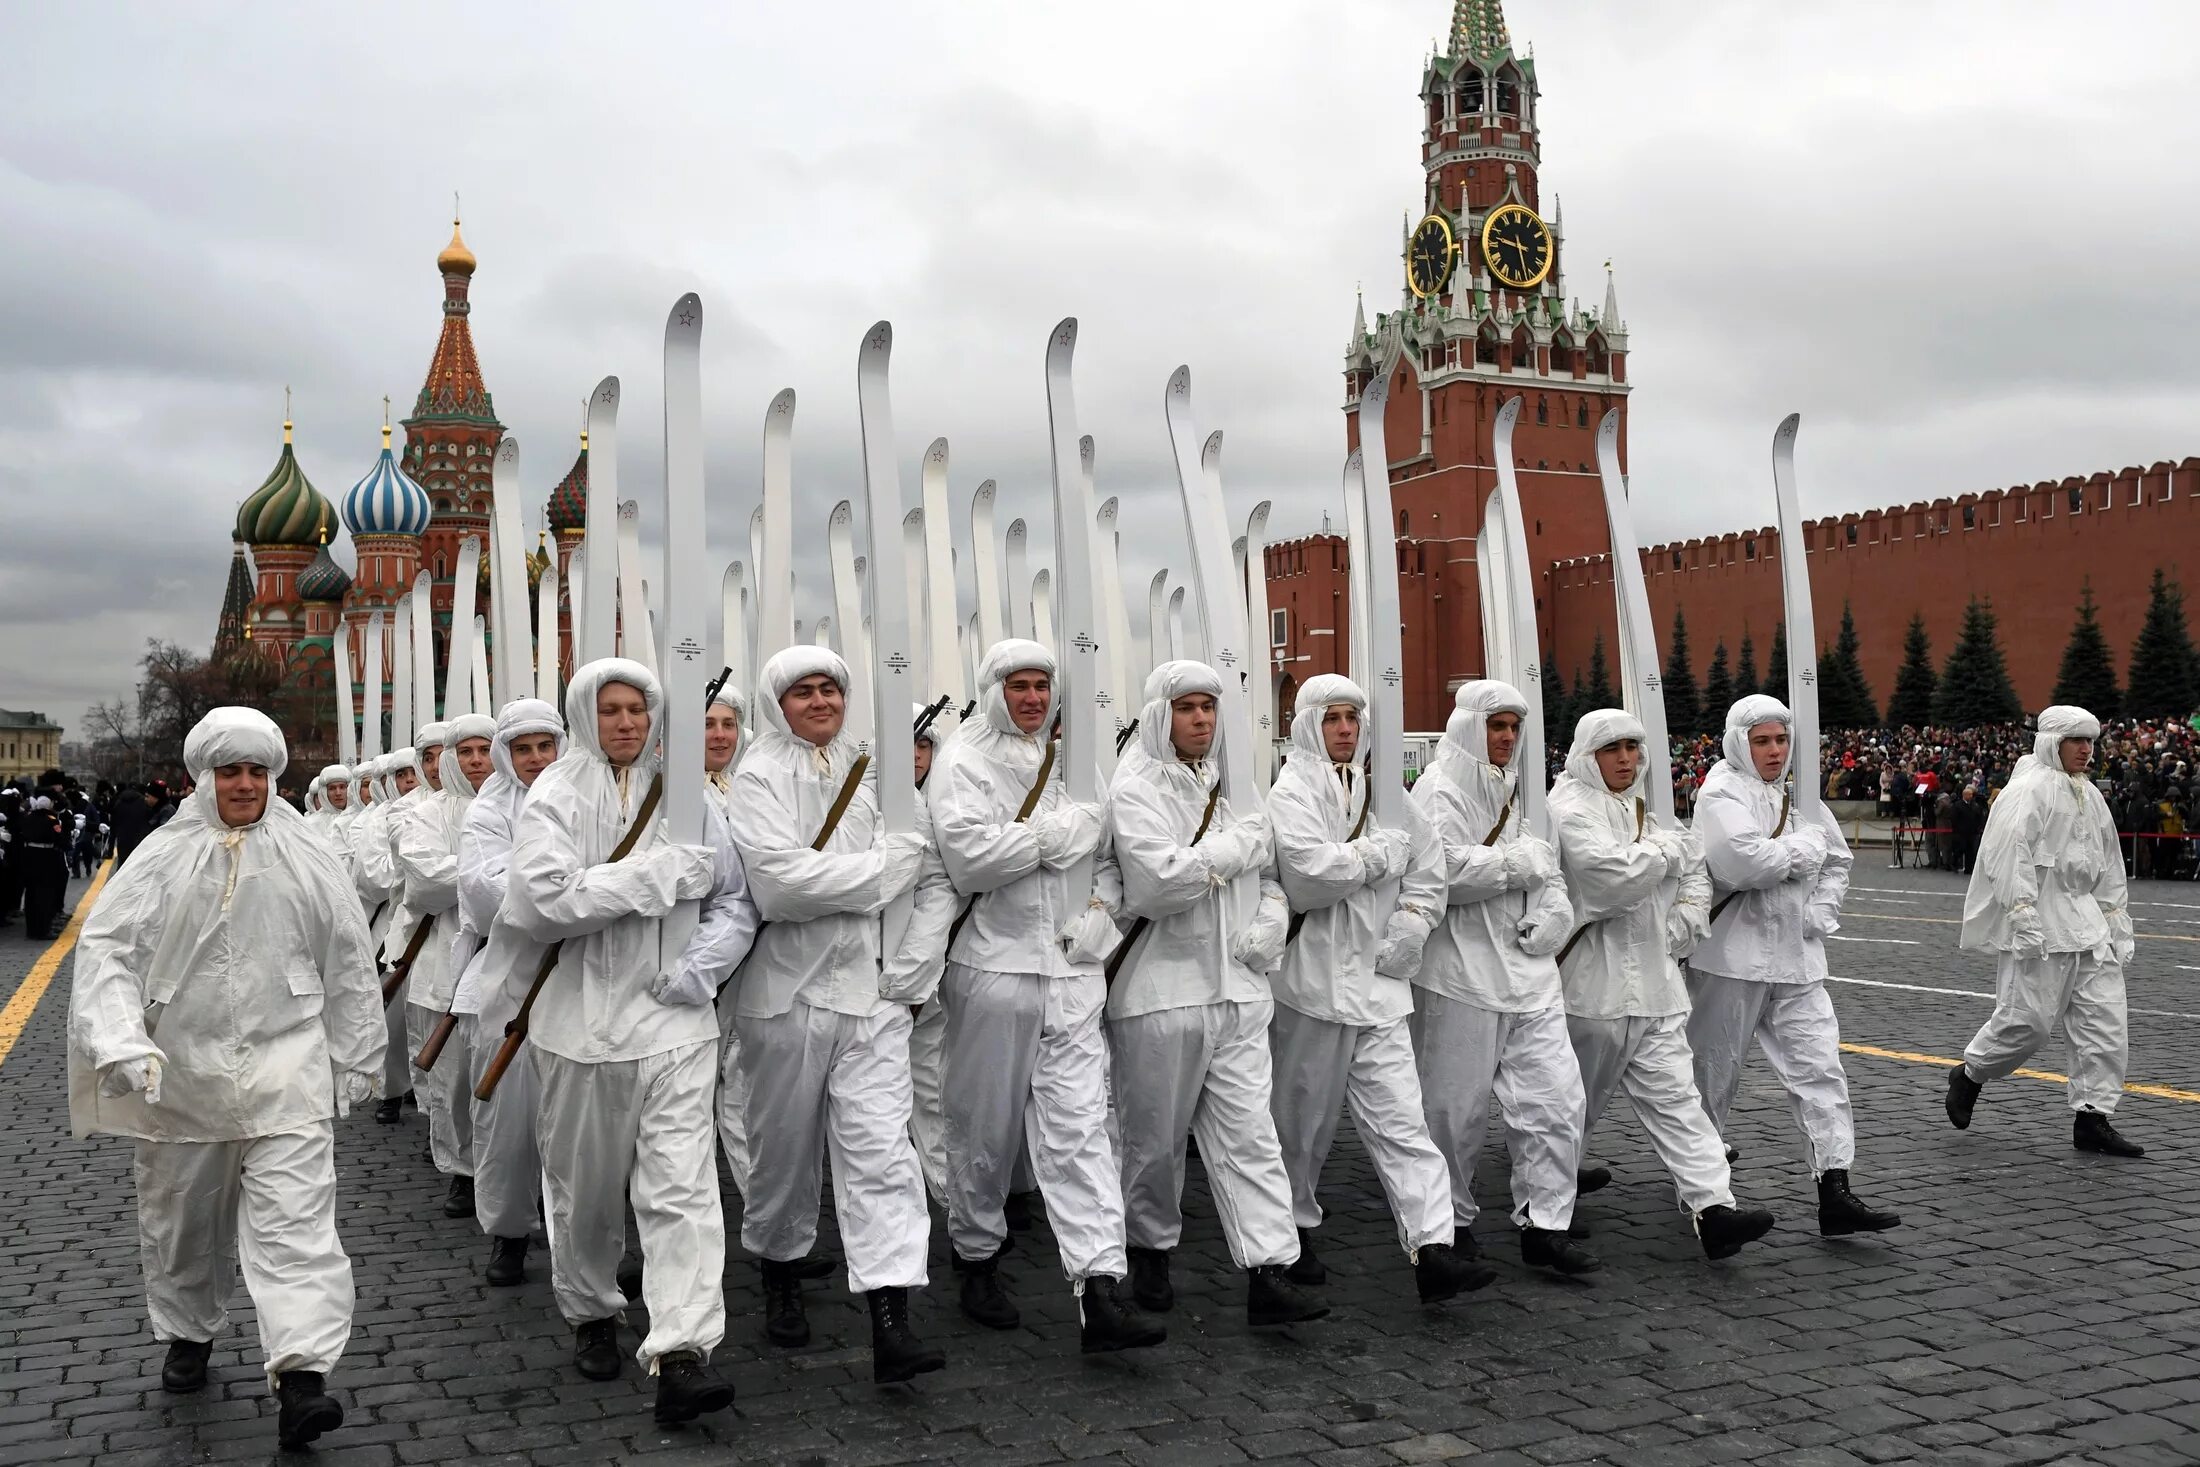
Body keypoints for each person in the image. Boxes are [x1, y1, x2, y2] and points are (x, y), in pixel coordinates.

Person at [68, 708, 383, 1449]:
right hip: (184, 1081)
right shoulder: (161, 857)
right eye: (229, 771)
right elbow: (108, 951)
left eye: (257, 772)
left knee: (298, 1230)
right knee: (184, 1228)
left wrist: (359, 1052)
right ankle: (187, 1329)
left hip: (287, 1076)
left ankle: (302, 1375)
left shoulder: (306, 853)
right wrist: (119, 1039)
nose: (245, 785)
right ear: (201, 777)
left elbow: (347, 958)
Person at [503, 658, 757, 1426]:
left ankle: (682, 1349)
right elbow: (541, 901)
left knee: (683, 1190)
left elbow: (734, 901)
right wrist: (653, 878)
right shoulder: (553, 796)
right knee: (585, 1194)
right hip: (579, 1032)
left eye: (637, 709)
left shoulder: (688, 799)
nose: (625, 722)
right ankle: (589, 1308)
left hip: (675, 1026)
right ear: (586, 715)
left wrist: (698, 972)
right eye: (610, 709)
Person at [927, 639, 1167, 1350]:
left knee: (1081, 1126)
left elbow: (1110, 857)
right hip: (994, 969)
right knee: (984, 1128)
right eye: (1019, 685)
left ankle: (1099, 1284)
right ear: (994, 688)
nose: (1033, 697)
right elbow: (972, 860)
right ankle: (974, 1251)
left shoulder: (1072, 760)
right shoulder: (962, 761)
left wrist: (1101, 915)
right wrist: (1055, 832)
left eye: (1041, 685)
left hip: (1070, 972)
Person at [722, 647, 952, 1383]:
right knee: (782, 1153)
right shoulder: (758, 773)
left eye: (830, 689)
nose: (820, 702)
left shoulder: (877, 767)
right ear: (777, 702)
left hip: (871, 995)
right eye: (802, 692)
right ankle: (781, 1267)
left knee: (882, 1153)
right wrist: (883, 873)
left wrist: (909, 965)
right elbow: (780, 884)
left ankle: (893, 1314)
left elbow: (932, 863)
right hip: (785, 995)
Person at [1105, 660, 1326, 1326]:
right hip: (1160, 990)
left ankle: (1270, 1267)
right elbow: (1158, 883)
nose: (1202, 718)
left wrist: (1268, 917)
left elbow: (1273, 876)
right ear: (1159, 714)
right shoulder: (1133, 786)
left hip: (1236, 989)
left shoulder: (1237, 785)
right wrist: (1238, 848)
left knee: (1250, 1136)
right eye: (1187, 707)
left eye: (1209, 706)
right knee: (1154, 1139)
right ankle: (1149, 1245)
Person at [1263, 676, 1494, 1301]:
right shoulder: (1291, 792)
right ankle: (1291, 1225)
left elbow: (1429, 870)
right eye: (1334, 717)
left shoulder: (1387, 793)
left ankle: (1432, 1245)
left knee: (1403, 1122)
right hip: (1310, 988)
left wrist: (1413, 924)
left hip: (1380, 987)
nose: (1346, 728)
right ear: (1310, 723)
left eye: (1353, 718)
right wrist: (1376, 856)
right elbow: (1309, 876)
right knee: (1299, 1124)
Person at [1549, 709, 1776, 1260]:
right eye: (1613, 749)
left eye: (1632, 747)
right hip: (1590, 989)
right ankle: (1544, 1212)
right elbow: (1610, 882)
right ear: (1589, 754)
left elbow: (1696, 870)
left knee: (1680, 1104)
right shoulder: (1566, 810)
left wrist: (1686, 917)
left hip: (1656, 984)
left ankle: (1713, 1208)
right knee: (1568, 1106)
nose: (1626, 759)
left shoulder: (1650, 811)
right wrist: (1668, 854)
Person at [1687, 694, 1901, 1237]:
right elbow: (1743, 864)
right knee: (1711, 1074)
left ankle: (1835, 1187)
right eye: (1762, 741)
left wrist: (1821, 906)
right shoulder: (1719, 792)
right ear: (1740, 743)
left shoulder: (1799, 796)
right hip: (1730, 959)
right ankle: (1702, 1191)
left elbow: (1837, 862)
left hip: (1798, 959)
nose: (1775, 751)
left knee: (1821, 1069)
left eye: (1782, 740)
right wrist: (1803, 850)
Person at [1406, 681, 1597, 1275]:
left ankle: (1547, 1223)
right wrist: (1517, 864)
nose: (1508, 738)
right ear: (1469, 728)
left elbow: (1553, 874)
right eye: (1497, 726)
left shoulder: (1524, 792)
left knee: (1558, 1102)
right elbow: (1440, 870)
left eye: (1515, 727)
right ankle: (1449, 1223)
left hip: (1530, 977)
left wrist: (1555, 916)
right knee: (1453, 1113)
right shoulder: (1436, 790)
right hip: (1460, 975)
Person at [1947, 706, 2141, 1156]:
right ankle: (1971, 1072)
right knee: (2027, 1023)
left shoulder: (2090, 795)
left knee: (2105, 1024)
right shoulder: (2028, 789)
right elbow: (2007, 854)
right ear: (2052, 742)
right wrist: (2022, 914)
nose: (2086, 750)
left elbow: (2109, 864)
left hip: (2088, 927)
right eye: (2076, 741)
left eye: (2090, 741)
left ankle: (2094, 1117)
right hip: (2042, 923)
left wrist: (2116, 920)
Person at [449, 699, 566, 1286]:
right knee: (507, 1122)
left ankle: (580, 1239)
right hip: (509, 983)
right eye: (524, 749)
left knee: (577, 1120)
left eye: (546, 746)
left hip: (580, 977)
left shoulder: (587, 795)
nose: (537, 760)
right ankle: (509, 1233)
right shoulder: (487, 812)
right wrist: (571, 892)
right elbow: (486, 891)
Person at [394, 714, 498, 1219]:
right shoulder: (428, 814)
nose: (476, 761)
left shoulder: (526, 804)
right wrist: (492, 872)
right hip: (445, 965)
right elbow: (424, 879)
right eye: (466, 752)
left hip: (511, 961)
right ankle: (461, 1170)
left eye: (485, 749)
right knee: (453, 1080)